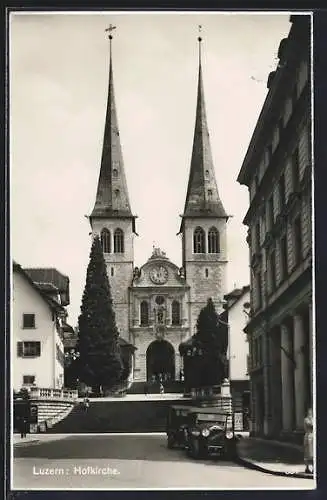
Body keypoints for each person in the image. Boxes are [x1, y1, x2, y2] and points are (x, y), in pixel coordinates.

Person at [304, 408, 314, 474]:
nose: (310, 413)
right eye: (309, 412)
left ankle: (314, 468)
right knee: (307, 453)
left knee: (313, 453)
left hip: (313, 436)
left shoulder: (313, 418)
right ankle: (307, 468)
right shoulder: (306, 419)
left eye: (311, 412)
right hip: (308, 437)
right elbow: (311, 425)